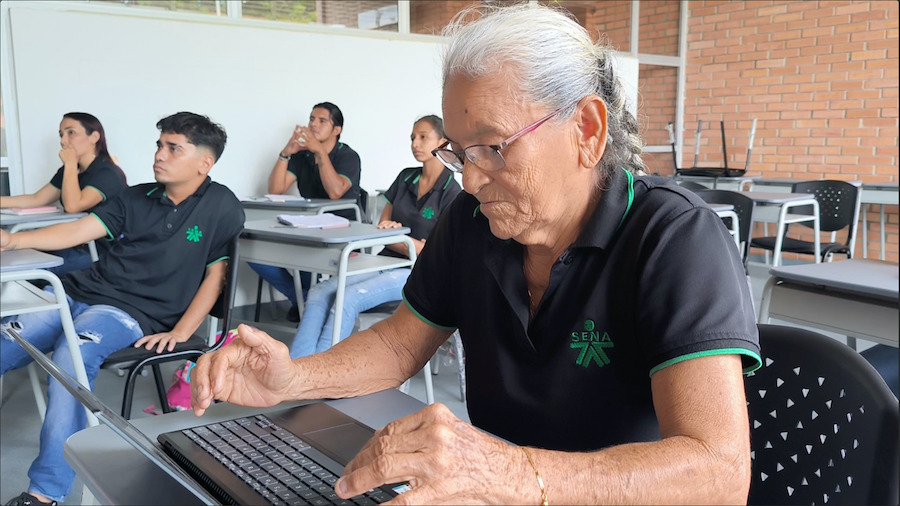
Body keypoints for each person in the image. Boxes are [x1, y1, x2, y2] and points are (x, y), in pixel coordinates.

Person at [191, 4, 760, 505]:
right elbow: (397, 344)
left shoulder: (675, 237)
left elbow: (719, 473)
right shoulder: (473, 222)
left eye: (493, 148)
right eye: (461, 153)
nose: (470, 179)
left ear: (586, 129)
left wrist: (513, 472)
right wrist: (292, 380)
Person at [0, 112, 244, 506]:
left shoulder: (222, 206)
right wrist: (14, 242)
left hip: (131, 312)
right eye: (159, 145)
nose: (159, 155)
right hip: (81, 292)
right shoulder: (135, 197)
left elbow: (215, 278)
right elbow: (78, 230)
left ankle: (44, 494)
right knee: (10, 332)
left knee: (72, 354)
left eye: (172, 148)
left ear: (204, 162)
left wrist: (182, 332)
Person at [290, 115, 461, 358]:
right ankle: (297, 369)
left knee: (348, 298)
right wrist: (406, 241)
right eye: (413, 137)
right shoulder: (405, 177)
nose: (415, 143)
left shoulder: (453, 193)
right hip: (385, 260)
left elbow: (433, 253)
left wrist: (400, 239)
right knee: (319, 292)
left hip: (416, 273)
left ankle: (320, 376)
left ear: (443, 142)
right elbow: (382, 227)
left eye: (423, 137)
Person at [249, 102, 362, 322]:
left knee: (307, 256)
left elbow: (336, 191)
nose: (313, 124)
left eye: (322, 121)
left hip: (340, 229)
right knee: (254, 253)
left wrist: (320, 152)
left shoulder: (348, 156)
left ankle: (308, 304)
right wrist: (285, 153)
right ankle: (307, 301)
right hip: (306, 226)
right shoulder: (302, 156)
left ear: (336, 130)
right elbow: (275, 190)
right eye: (311, 119)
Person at [0, 112, 127, 275]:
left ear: (94, 137)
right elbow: (36, 199)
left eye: (71, 133)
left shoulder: (107, 173)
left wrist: (70, 164)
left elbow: (73, 206)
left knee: (26, 268)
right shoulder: (72, 170)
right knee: (16, 256)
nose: (63, 141)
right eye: (61, 135)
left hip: (100, 252)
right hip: (72, 243)